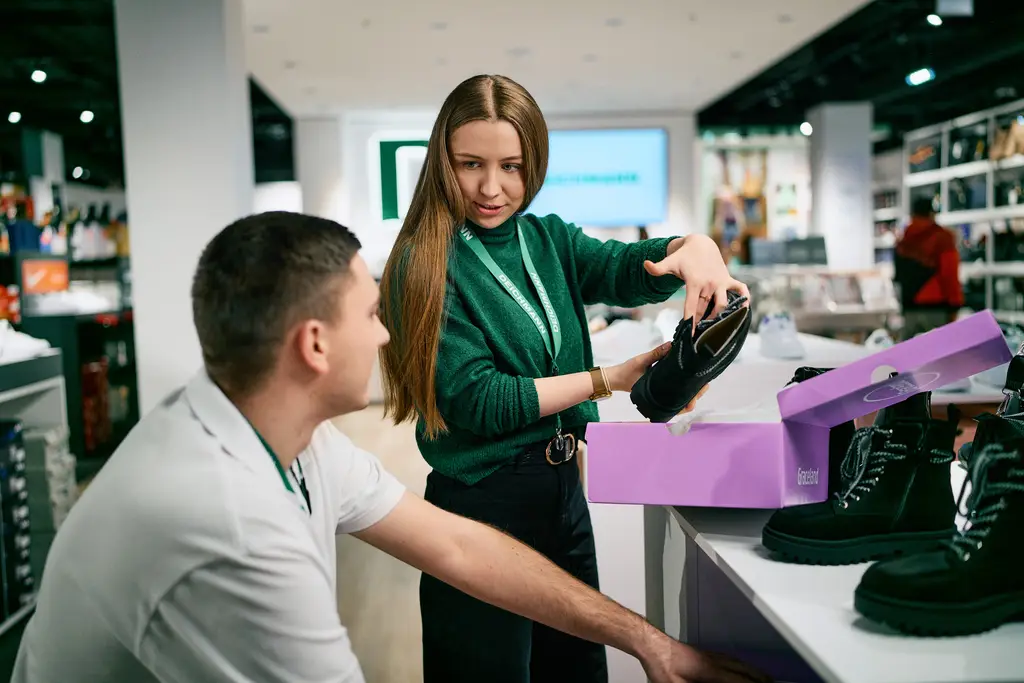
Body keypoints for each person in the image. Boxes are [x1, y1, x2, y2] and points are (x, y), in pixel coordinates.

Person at [13, 212, 765, 683]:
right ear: (313, 344)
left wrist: (649, 643)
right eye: (373, 315)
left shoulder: (286, 437)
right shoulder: (226, 524)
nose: (386, 334)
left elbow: (459, 548)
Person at [378, 74, 750, 682]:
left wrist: (697, 248)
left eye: (511, 166)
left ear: (536, 163)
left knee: (577, 672)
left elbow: (629, 268)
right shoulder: (423, 264)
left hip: (562, 491)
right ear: (442, 161)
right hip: (481, 505)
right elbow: (482, 401)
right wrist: (609, 379)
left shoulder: (545, 238)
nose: (491, 188)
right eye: (470, 164)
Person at [894, 197, 964, 337]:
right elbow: (949, 274)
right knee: (942, 353)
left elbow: (898, 277)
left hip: (909, 308)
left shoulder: (903, 241)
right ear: (931, 213)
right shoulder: (943, 238)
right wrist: (955, 305)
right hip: (936, 307)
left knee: (911, 355)